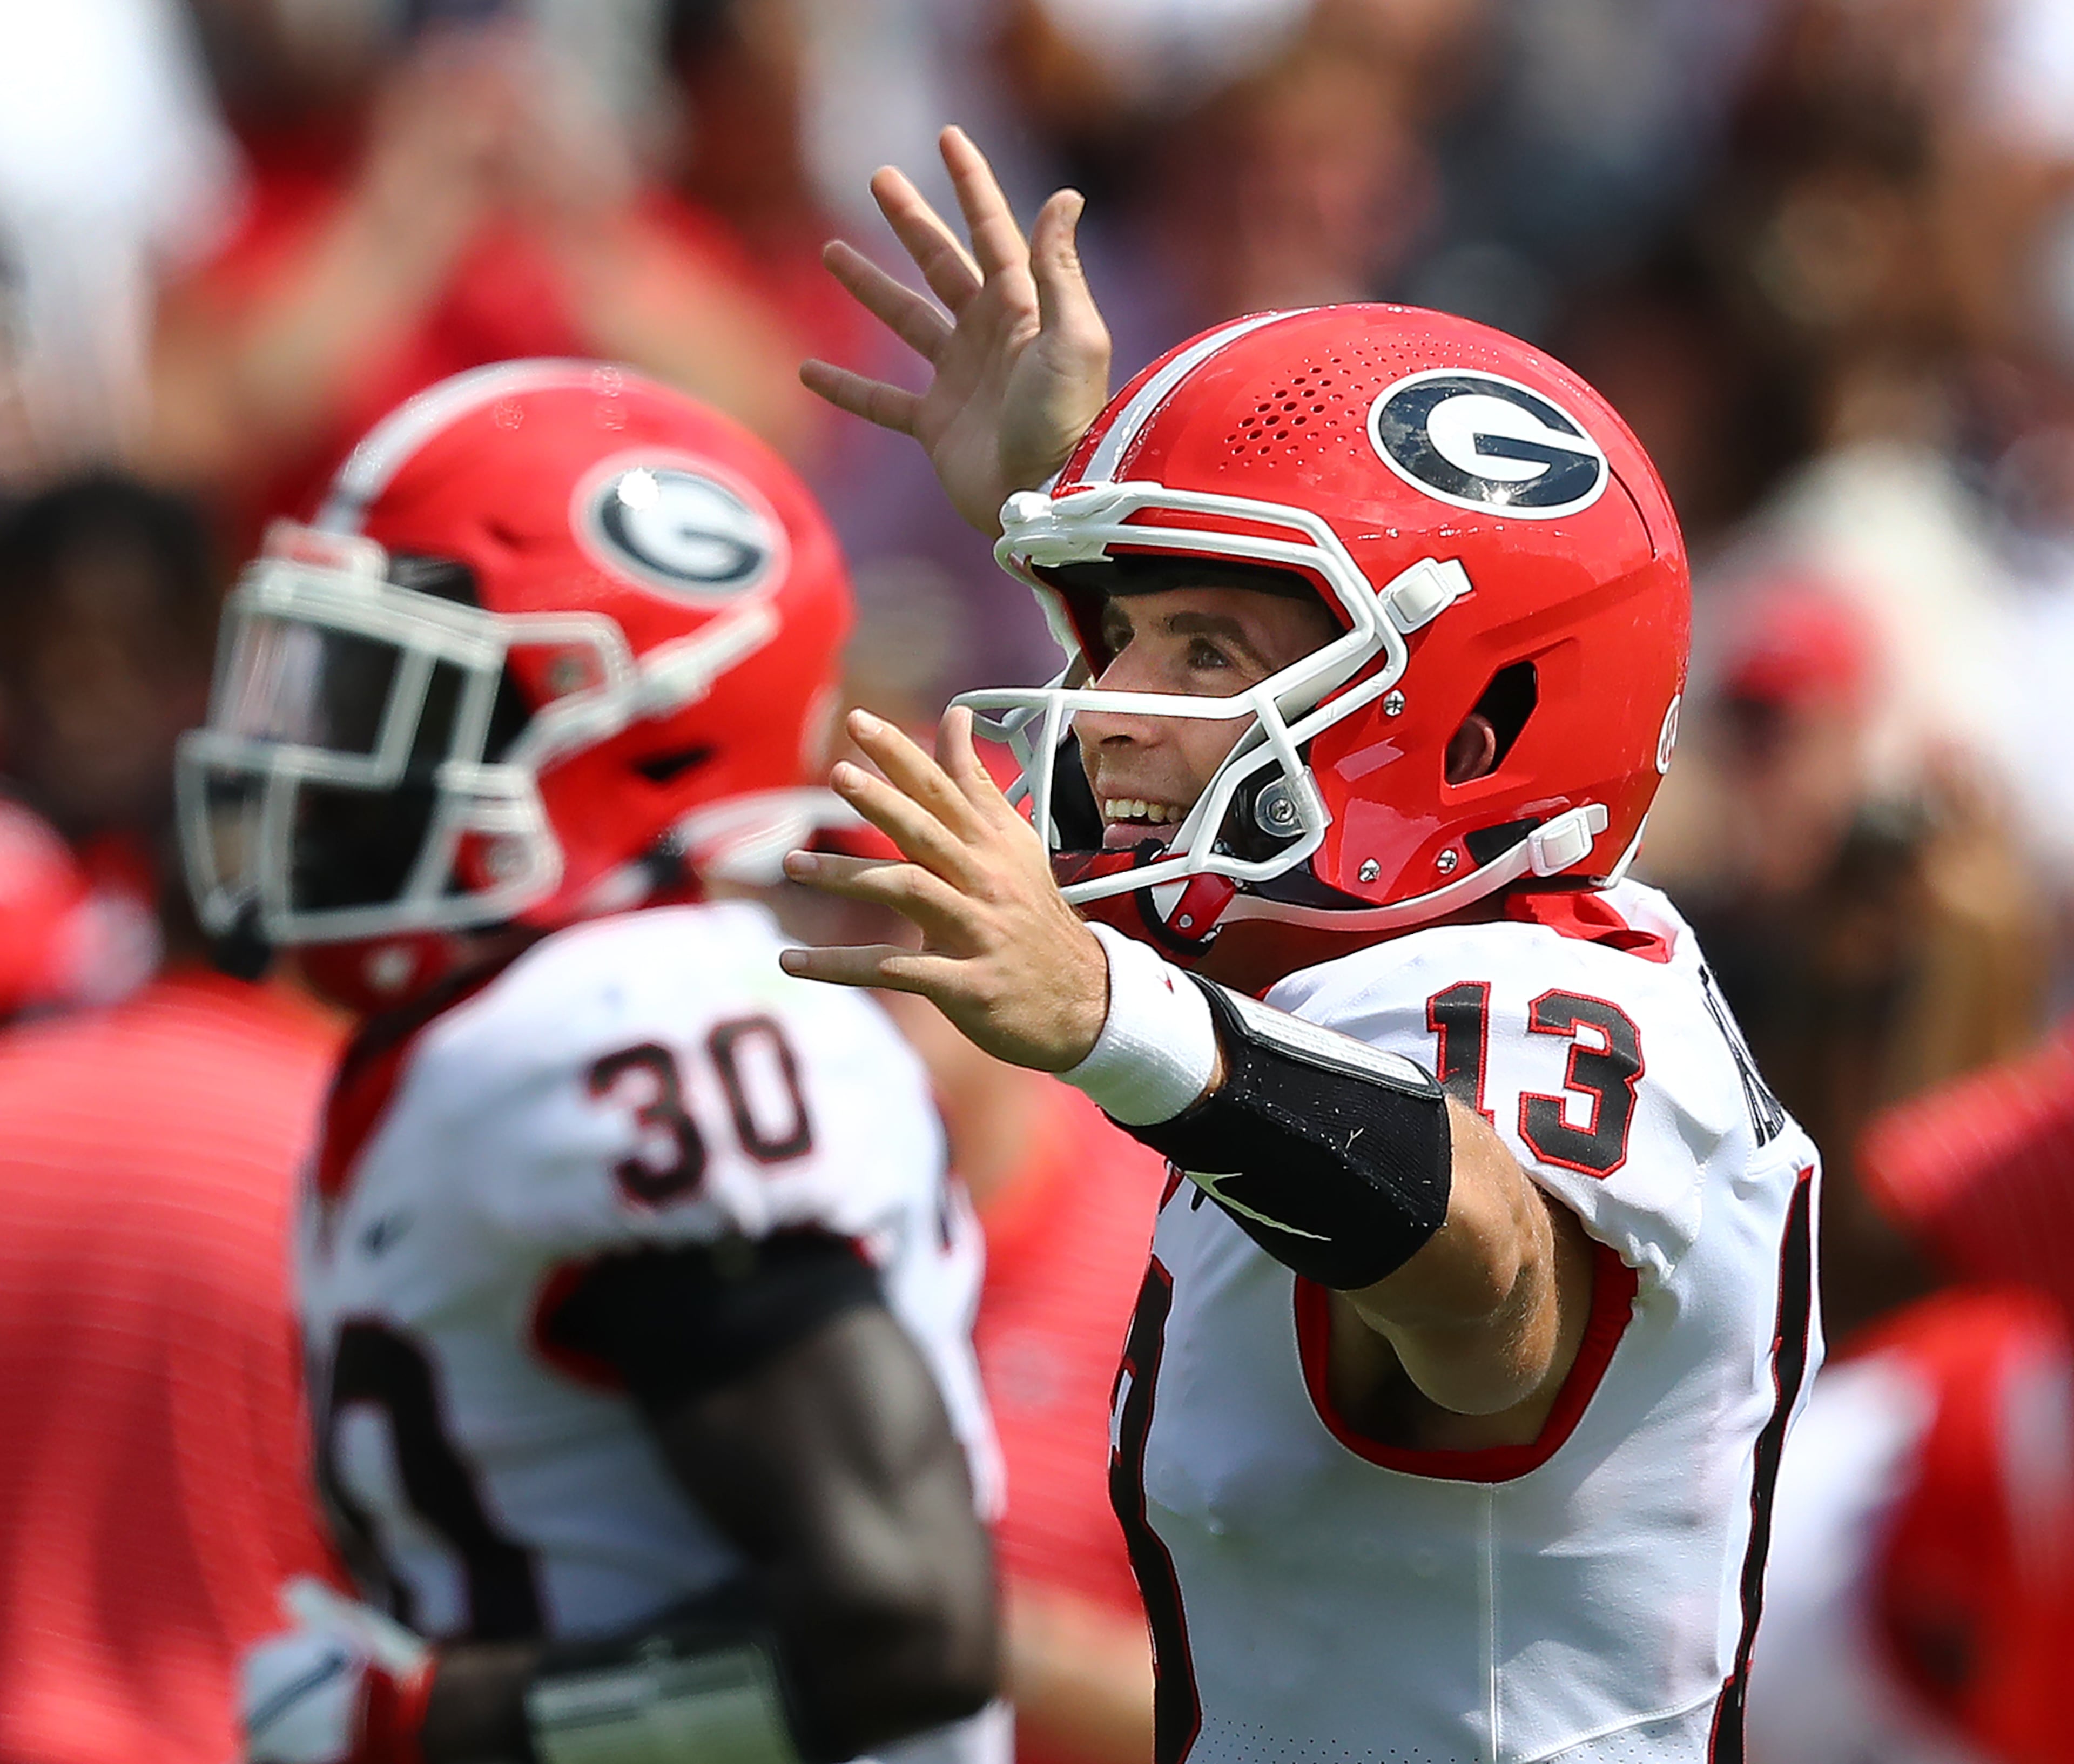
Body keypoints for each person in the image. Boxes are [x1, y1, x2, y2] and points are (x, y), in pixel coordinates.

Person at [782, 128, 1825, 1762]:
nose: (1114, 714)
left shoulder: (1529, 987)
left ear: (1479, 722)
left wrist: (1113, 1013)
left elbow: (1488, 1283)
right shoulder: (1378, 974)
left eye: (1202, 650)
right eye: (1125, 639)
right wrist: (1080, 507)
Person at [181, 360, 1004, 1764]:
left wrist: (441, 1723)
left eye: (393, 692)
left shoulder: (633, 1024)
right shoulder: (536, 1018)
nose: (309, 760)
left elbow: (907, 1624)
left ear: (640, 728)